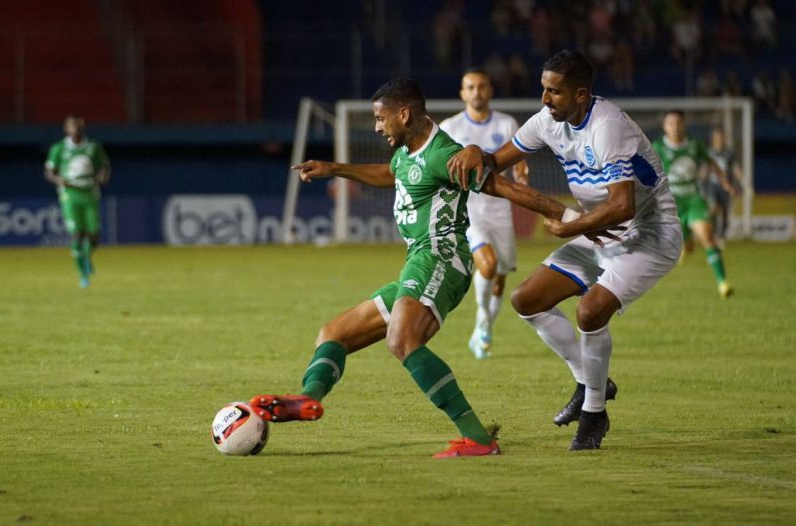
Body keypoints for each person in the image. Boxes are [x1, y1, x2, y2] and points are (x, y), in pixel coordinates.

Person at [250, 78, 500, 458]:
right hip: (417, 259)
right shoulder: (405, 151)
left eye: (381, 118)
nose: (377, 126)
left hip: (443, 255)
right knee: (333, 333)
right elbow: (393, 174)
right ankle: (307, 398)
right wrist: (334, 168)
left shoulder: (442, 152)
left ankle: (478, 438)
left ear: (404, 113)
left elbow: (495, 184)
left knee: (401, 340)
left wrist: (559, 213)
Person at [447, 50, 683, 450]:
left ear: (581, 95)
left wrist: (569, 225)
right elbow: (496, 161)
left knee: (589, 311)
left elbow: (623, 205)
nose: (544, 99)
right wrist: (476, 154)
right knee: (527, 299)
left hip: (648, 234)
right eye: (543, 89)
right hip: (598, 231)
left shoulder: (608, 127)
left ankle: (593, 414)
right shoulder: (547, 121)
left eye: (553, 92)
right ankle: (590, 381)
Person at [439, 68, 529, 359]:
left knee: (500, 276)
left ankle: (484, 329)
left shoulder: (506, 124)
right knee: (487, 265)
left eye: (482, 87)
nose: (476, 92)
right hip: (469, 210)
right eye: (471, 87)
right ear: (462, 93)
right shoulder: (450, 128)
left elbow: (518, 164)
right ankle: (481, 321)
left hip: (500, 210)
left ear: (490, 91)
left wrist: (522, 174)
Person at [652, 111, 734, 298]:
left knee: (707, 236)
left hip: (694, 198)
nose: (675, 126)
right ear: (665, 127)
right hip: (672, 203)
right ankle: (686, 244)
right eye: (670, 123)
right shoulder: (657, 147)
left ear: (684, 125)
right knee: (687, 245)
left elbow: (711, 163)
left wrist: (725, 182)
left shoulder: (694, 145)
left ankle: (723, 282)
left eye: (678, 123)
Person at [44, 116, 110, 288]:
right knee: (78, 233)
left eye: (79, 127)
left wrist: (103, 175)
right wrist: (58, 180)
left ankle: (87, 257)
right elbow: (49, 172)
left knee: (94, 236)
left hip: (89, 193)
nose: (76, 130)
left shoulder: (93, 147)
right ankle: (83, 275)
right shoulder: (59, 148)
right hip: (70, 195)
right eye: (73, 127)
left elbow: (104, 166)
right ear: (67, 129)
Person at [706, 126, 743, 246]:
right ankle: (712, 234)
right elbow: (704, 168)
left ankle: (722, 235)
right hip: (713, 186)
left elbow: (736, 168)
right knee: (713, 208)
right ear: (713, 138)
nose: (719, 139)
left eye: (721, 137)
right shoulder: (709, 152)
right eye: (716, 137)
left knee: (725, 212)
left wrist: (743, 182)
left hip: (727, 187)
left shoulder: (729, 153)